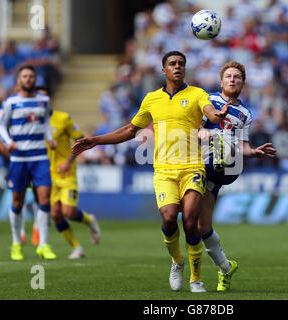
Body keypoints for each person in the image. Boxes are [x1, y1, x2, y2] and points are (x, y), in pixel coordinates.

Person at [72, 51, 229, 293]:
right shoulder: (151, 99)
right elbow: (129, 129)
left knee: (189, 221)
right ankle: (177, 262)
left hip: (192, 168)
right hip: (164, 171)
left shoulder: (197, 94)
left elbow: (210, 112)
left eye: (181, 64)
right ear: (164, 70)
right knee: (168, 219)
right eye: (172, 64)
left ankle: (195, 279)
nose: (177, 67)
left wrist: (217, 116)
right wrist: (96, 140)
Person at [197, 61, 276, 291]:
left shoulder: (245, 114)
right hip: (202, 164)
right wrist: (205, 134)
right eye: (229, 76)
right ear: (221, 81)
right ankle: (225, 267)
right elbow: (197, 128)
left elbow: (243, 146)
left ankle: (223, 153)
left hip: (227, 165)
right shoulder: (208, 101)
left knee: (228, 146)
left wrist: (254, 152)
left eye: (237, 77)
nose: (233, 80)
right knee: (202, 226)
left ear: (243, 83)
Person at [0, 65, 57, 261]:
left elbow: (46, 122)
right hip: (19, 157)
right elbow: (0, 126)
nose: (28, 79)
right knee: (17, 201)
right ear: (18, 80)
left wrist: (50, 138)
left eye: (31, 76)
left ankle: (43, 245)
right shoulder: (10, 103)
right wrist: (8, 142)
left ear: (35, 79)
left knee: (45, 199)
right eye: (25, 76)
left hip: (39, 156)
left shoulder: (44, 101)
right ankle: (16, 243)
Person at [36, 86, 101, 259]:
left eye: (45, 97)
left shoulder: (63, 118)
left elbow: (80, 140)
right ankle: (77, 248)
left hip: (67, 173)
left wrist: (68, 160)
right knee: (56, 215)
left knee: (68, 212)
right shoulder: (35, 123)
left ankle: (89, 220)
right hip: (47, 176)